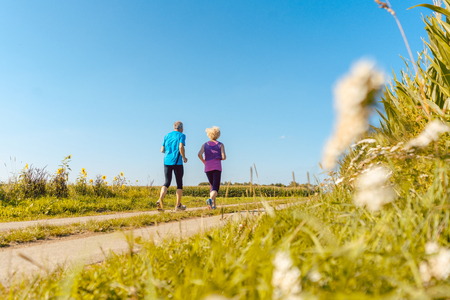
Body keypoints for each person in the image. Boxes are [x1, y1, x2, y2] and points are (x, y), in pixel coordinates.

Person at [157, 121, 188, 211]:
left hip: (167, 161)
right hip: (177, 162)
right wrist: (184, 158)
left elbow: (162, 149)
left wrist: (169, 152)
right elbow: (181, 147)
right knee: (179, 183)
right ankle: (178, 206)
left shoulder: (167, 136)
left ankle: (160, 200)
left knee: (167, 182)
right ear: (181, 127)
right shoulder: (181, 135)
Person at [198, 126, 226, 209]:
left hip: (208, 167)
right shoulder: (220, 145)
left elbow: (199, 154)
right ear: (218, 135)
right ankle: (210, 199)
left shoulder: (205, 145)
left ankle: (213, 205)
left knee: (212, 186)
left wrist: (204, 161)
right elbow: (223, 157)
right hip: (217, 167)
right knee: (216, 187)